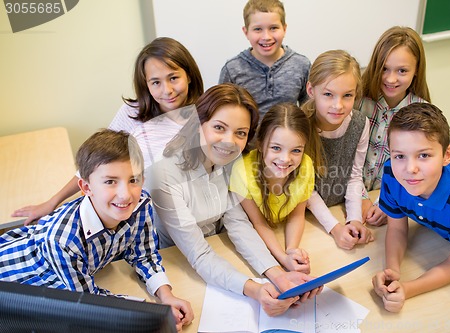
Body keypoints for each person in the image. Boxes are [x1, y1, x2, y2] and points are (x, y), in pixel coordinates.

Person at [146, 84, 320, 317]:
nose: (229, 141)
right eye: (219, 127)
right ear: (198, 124)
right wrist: (255, 290)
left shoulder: (230, 161)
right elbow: (199, 255)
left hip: (219, 250)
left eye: (240, 133)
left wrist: (277, 274)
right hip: (174, 262)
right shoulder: (164, 175)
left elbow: (237, 223)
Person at [0, 129, 194, 331]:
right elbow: (91, 305)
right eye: (110, 181)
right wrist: (154, 317)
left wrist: (166, 296)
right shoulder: (63, 241)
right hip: (17, 282)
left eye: (133, 180)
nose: (125, 195)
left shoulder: (141, 204)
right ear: (86, 187)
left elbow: (143, 256)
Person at [12, 37, 204, 224]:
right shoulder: (134, 112)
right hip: (120, 209)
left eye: (173, 78)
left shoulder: (206, 119)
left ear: (188, 75)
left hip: (169, 219)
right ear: (146, 84)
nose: (167, 90)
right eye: (156, 82)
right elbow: (97, 161)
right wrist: (53, 202)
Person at [372, 103, 450, 313]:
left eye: (423, 155)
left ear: (447, 155)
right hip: (449, 237)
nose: (409, 169)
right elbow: (396, 228)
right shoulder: (392, 174)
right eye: (399, 156)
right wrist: (392, 271)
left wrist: (407, 289)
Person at [357, 26, 431, 227]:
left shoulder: (423, 114)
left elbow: (419, 170)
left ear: (416, 71)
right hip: (349, 196)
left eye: (402, 71)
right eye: (384, 68)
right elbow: (344, 156)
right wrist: (361, 198)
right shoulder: (357, 101)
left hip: (396, 201)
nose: (391, 79)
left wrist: (385, 202)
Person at [230, 103, 316, 274]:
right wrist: (283, 259)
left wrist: (291, 249)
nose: (285, 159)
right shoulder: (242, 171)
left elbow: (297, 215)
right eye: (276, 148)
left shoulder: (305, 165)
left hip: (280, 231)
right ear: (261, 145)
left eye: (296, 150)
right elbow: (259, 223)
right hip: (250, 244)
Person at [302, 50, 374, 250]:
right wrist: (335, 228)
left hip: (338, 208)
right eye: (328, 94)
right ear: (311, 90)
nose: (338, 105)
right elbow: (305, 190)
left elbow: (354, 176)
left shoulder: (360, 123)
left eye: (347, 95)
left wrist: (354, 220)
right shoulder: (299, 126)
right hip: (306, 217)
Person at [218, 0, 310, 118]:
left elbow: (309, 109)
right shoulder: (232, 69)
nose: (266, 37)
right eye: (257, 29)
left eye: (273, 28)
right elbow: (222, 113)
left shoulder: (302, 65)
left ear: (284, 29)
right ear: (246, 32)